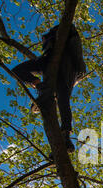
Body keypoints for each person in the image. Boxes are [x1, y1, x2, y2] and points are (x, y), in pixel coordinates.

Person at [12, 23, 86, 152]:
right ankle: (44, 90)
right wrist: (38, 84)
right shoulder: (46, 59)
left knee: (63, 97)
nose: (42, 42)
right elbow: (17, 70)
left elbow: (70, 30)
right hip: (51, 66)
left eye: (44, 40)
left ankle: (65, 135)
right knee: (62, 96)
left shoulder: (65, 40)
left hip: (66, 66)